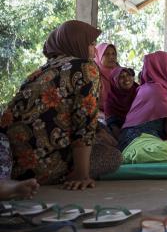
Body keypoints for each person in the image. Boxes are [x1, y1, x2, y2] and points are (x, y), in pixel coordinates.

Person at [0, 20, 122, 190]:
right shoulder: (85, 67)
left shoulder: (41, 71)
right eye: (91, 44)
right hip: (37, 164)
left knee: (102, 137)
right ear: (76, 42)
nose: (95, 52)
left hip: (7, 159)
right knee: (113, 156)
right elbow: (83, 122)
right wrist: (82, 174)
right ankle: (67, 173)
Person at [104, 67, 138, 139]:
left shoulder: (140, 91)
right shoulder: (110, 101)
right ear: (114, 81)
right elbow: (113, 125)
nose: (126, 79)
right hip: (124, 135)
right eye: (121, 77)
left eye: (128, 75)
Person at [94, 43, 119, 113]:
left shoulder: (122, 73)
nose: (111, 57)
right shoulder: (95, 75)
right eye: (107, 54)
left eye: (113, 54)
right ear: (98, 56)